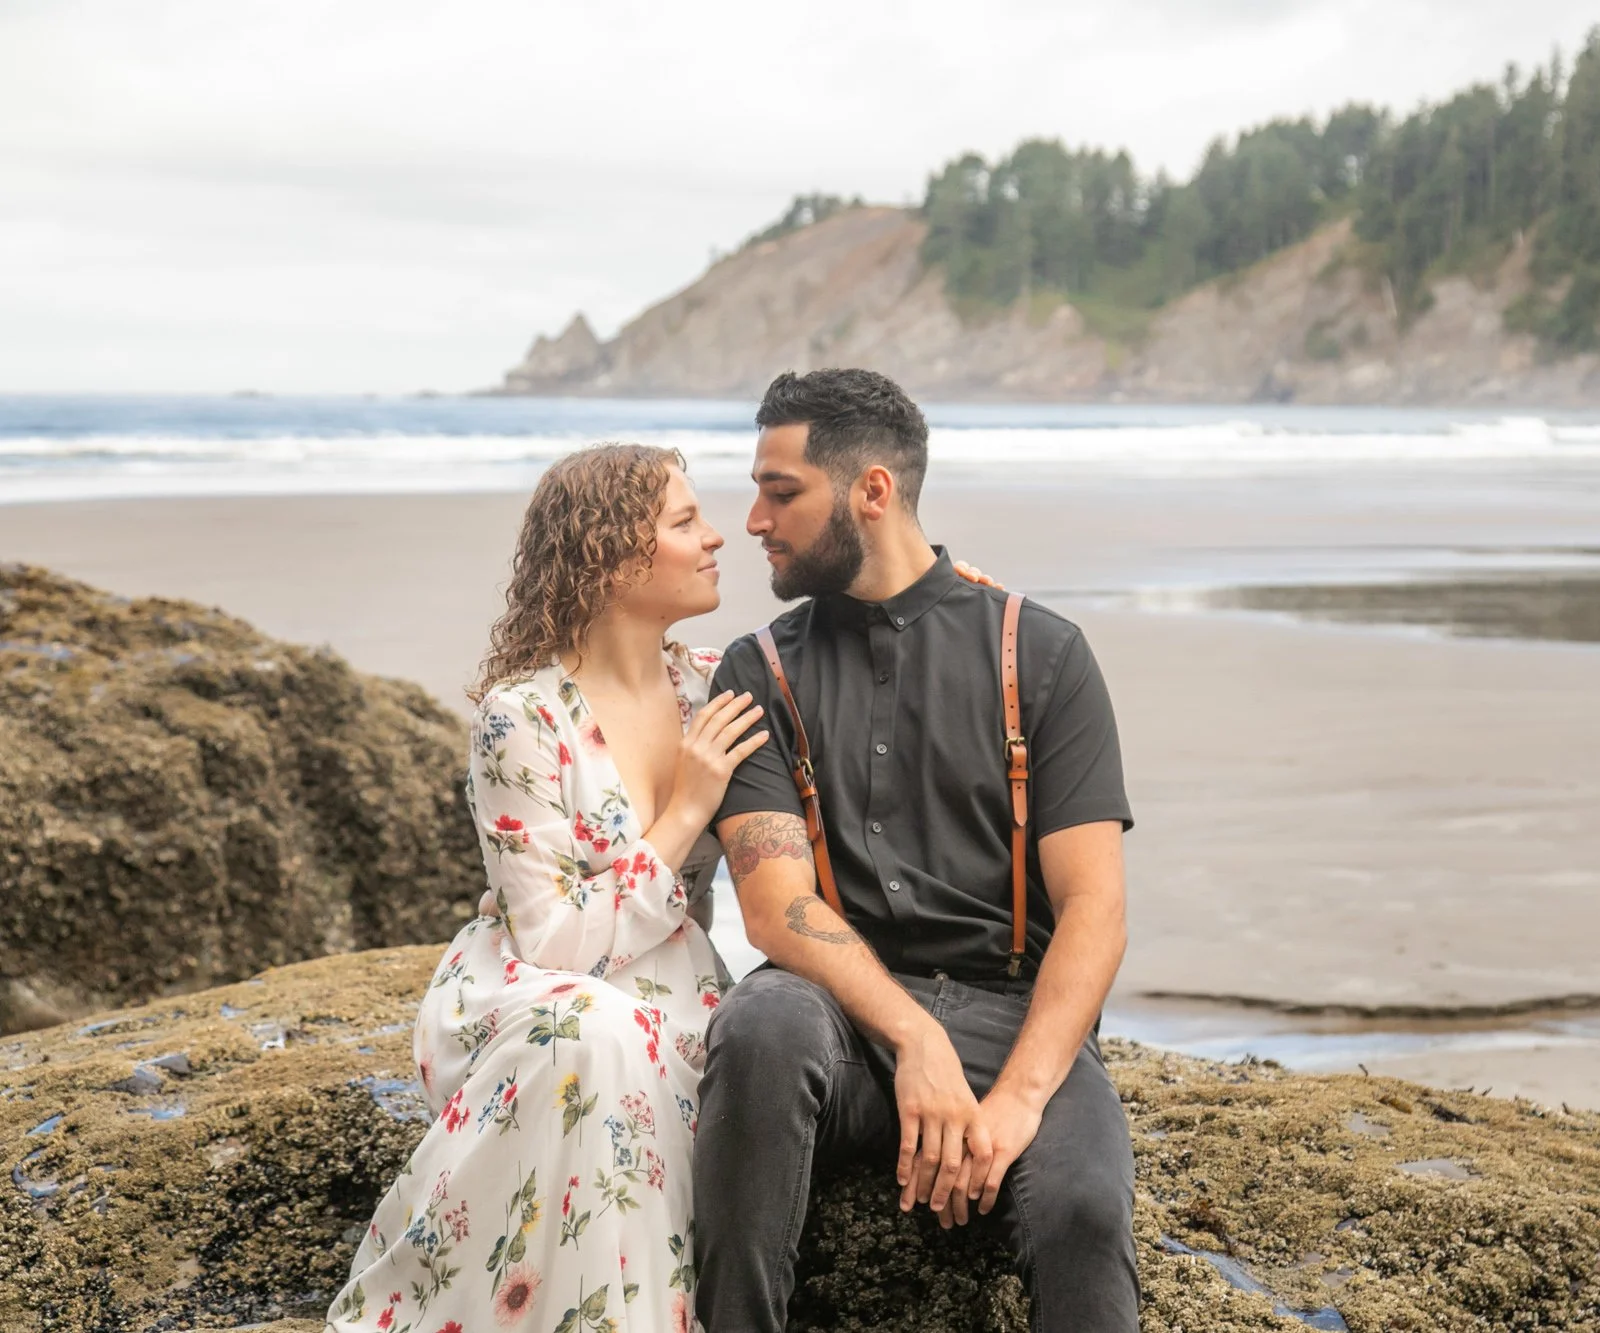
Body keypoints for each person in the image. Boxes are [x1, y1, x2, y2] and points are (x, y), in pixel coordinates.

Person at [695, 369, 1140, 1332]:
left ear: (873, 490)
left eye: (781, 491)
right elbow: (776, 906)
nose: (753, 520)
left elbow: (1097, 911)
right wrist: (913, 1034)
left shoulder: (1044, 653)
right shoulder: (755, 669)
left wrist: (1020, 1098)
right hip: (842, 1020)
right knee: (761, 1022)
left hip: (1016, 1014)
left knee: (1083, 1210)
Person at [325, 443, 766, 1333]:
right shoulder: (520, 719)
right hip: (535, 994)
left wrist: (947, 598)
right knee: (594, 1035)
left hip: (679, 991)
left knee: (651, 1043)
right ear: (610, 554)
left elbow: (852, 670)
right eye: (684, 522)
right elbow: (553, 943)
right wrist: (684, 813)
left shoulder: (714, 683)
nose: (716, 536)